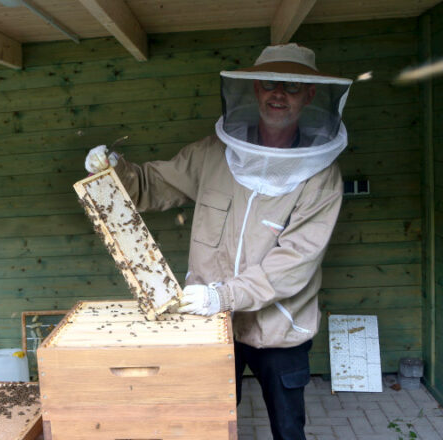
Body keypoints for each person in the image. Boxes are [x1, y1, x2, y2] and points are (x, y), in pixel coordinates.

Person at [84, 43, 352, 440]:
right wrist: (113, 170)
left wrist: (222, 295)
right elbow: (151, 186)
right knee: (202, 424)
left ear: (311, 95)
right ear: (254, 89)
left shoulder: (321, 177)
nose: (278, 94)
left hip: (278, 328)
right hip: (210, 322)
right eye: (269, 83)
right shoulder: (214, 153)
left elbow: (295, 261)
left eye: (292, 86)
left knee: (288, 429)